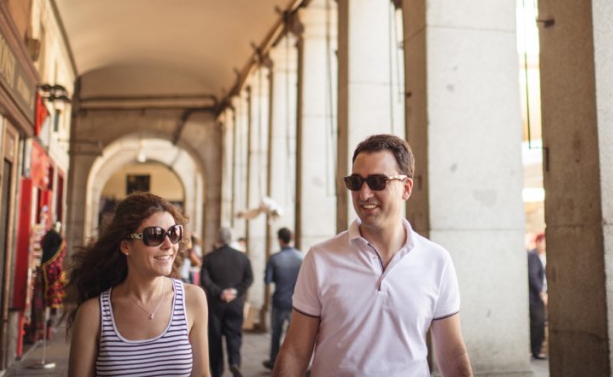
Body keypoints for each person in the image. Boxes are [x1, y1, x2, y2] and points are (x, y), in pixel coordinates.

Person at [273, 134, 473, 376]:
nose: (364, 194)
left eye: (378, 182)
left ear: (406, 188)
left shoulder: (437, 261)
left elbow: (452, 354)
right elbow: (295, 351)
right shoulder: (320, 259)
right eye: (356, 182)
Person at [65, 192, 210, 377]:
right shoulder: (93, 313)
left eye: (174, 233)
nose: (168, 245)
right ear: (126, 246)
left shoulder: (193, 299)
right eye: (155, 235)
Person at [201, 227, 254, 377]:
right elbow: (249, 279)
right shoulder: (242, 257)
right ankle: (234, 363)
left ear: (218, 239)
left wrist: (220, 292)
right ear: (231, 239)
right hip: (235, 303)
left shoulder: (209, 258)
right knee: (234, 335)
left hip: (216, 304)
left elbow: (205, 280)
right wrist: (235, 291)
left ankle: (217, 372)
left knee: (215, 338)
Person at [262, 227, 303, 370]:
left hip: (279, 301)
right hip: (296, 303)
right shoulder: (301, 257)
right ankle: (292, 364)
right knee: (293, 336)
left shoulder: (274, 258)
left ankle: (274, 361)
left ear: (279, 240)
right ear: (291, 238)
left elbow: (267, 280)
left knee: (276, 333)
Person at [528, 232, 548, 360]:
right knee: (538, 323)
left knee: (540, 323)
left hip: (540, 295)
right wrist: (541, 293)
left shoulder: (540, 256)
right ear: (539, 242)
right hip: (535, 298)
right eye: (544, 241)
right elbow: (533, 276)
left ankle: (536, 349)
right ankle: (535, 350)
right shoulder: (533, 256)